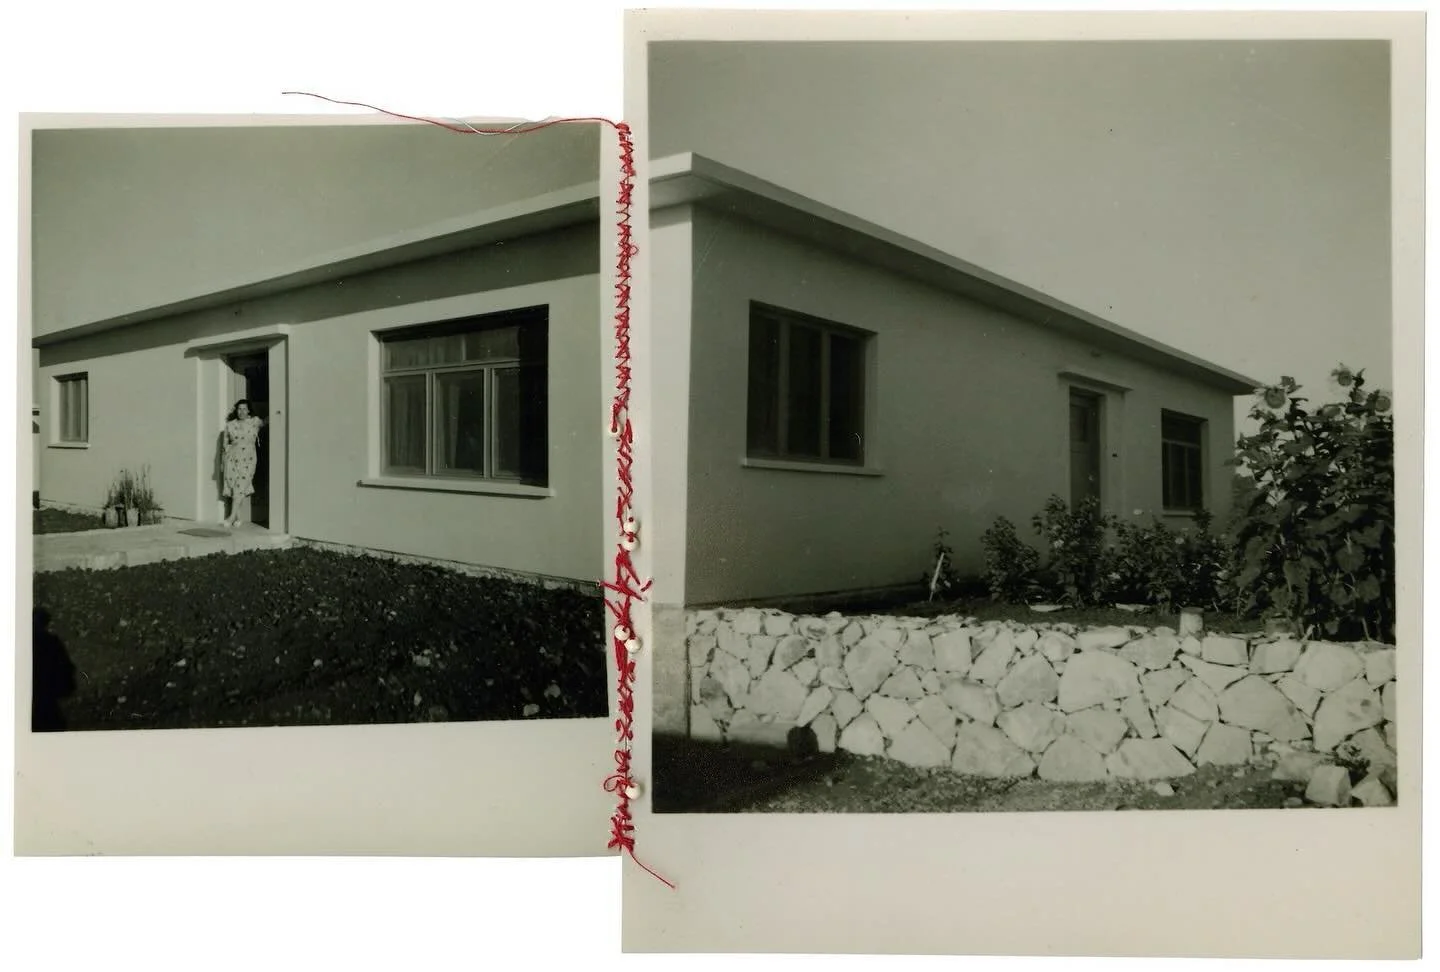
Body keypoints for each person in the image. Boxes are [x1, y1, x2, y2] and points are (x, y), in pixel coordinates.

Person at [223, 399, 266, 527]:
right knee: (234, 486)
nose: (241, 411)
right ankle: (239, 517)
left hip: (248, 459)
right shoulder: (230, 425)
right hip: (232, 459)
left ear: (248, 410)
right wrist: (222, 463)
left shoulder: (254, 422)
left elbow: (267, 421)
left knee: (240, 486)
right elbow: (225, 445)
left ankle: (231, 518)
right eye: (239, 409)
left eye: (244, 409)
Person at [32, 607, 76, 732]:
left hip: (41, 694)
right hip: (46, 695)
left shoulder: (43, 642)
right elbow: (66, 668)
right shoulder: (51, 642)